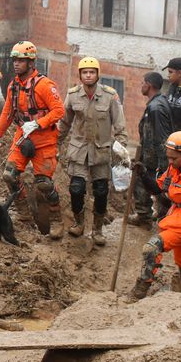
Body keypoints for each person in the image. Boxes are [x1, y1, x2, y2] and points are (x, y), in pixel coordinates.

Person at [0, 41, 67, 238]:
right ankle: (24, 215)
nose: (16, 64)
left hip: (44, 140)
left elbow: (59, 111)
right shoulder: (13, 86)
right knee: (9, 175)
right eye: (15, 60)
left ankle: (56, 219)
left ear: (31, 62)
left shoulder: (45, 85)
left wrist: (39, 123)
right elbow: (7, 112)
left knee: (44, 183)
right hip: (22, 138)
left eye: (21, 60)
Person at [130, 131, 181, 298]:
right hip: (177, 216)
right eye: (169, 157)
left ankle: (138, 293)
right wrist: (143, 174)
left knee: (152, 248)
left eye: (174, 158)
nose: (170, 161)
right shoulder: (172, 169)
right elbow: (157, 189)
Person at [59, 57, 128, 245]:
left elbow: (119, 124)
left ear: (97, 75)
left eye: (92, 72)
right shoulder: (73, 95)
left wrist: (121, 148)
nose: (88, 75)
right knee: (76, 189)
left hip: (101, 151)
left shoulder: (110, 95)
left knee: (101, 191)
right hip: (79, 150)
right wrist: (55, 143)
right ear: (80, 75)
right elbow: (64, 123)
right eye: (85, 72)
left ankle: (97, 229)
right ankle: (79, 223)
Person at [132, 71, 172, 227]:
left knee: (149, 185)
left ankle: (146, 216)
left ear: (148, 85)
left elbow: (161, 137)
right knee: (153, 186)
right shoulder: (157, 104)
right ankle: (159, 215)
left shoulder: (156, 108)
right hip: (150, 156)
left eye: (142, 82)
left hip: (154, 159)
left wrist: (163, 164)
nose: (141, 85)